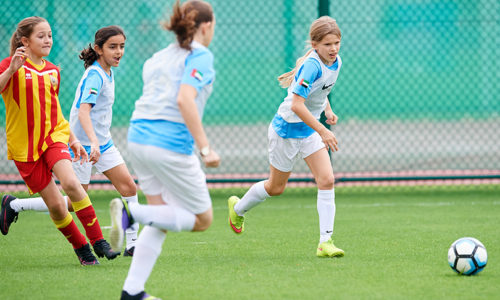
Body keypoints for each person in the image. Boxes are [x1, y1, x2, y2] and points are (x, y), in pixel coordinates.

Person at [108, 0, 218, 298]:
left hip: (138, 138)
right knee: (202, 219)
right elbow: (185, 100)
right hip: (167, 145)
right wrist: (206, 149)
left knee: (161, 216)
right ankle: (131, 214)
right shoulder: (201, 56)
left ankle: (133, 291)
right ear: (206, 26)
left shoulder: (158, 57)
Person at [1, 25, 140, 257]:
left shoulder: (106, 71)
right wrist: (90, 143)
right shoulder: (95, 75)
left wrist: (99, 142)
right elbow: (83, 112)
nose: (119, 52)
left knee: (128, 186)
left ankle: (133, 244)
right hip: (86, 147)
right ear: (98, 49)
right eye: (112, 47)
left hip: (102, 144)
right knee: (71, 202)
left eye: (122, 47)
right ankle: (15, 205)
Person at [227, 16, 345, 258]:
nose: (333, 48)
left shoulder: (336, 62)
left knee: (327, 179)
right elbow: (297, 106)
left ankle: (325, 242)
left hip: (308, 131)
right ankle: (237, 208)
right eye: (327, 44)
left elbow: (320, 94)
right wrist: (323, 130)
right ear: (314, 45)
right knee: (275, 187)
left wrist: (328, 110)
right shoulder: (311, 66)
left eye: (337, 42)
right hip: (286, 132)